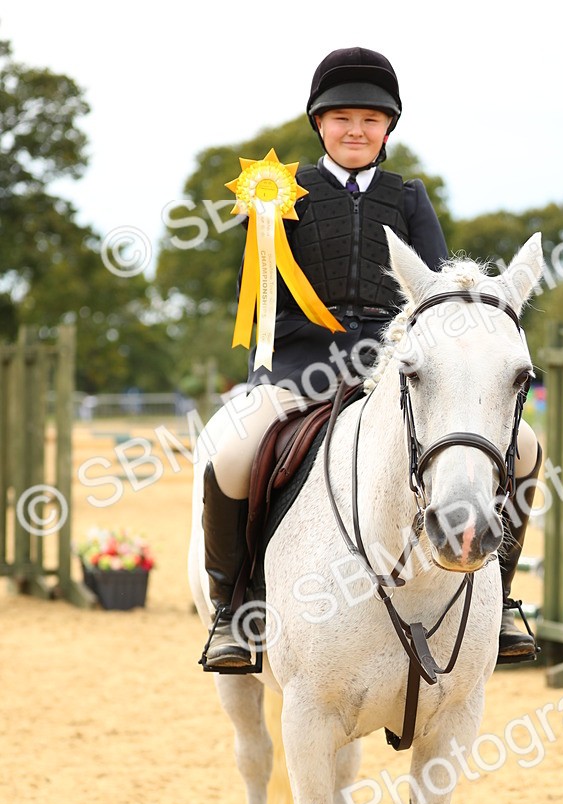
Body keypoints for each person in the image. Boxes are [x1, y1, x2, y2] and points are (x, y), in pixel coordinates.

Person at [201, 46, 539, 670]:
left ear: (388, 128)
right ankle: (233, 608)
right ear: (319, 124)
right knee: (234, 453)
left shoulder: (407, 196)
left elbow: (438, 292)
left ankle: (501, 597)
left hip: (394, 367)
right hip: (301, 366)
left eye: (371, 120)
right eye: (342, 118)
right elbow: (266, 291)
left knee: (523, 448)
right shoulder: (283, 193)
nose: (355, 130)